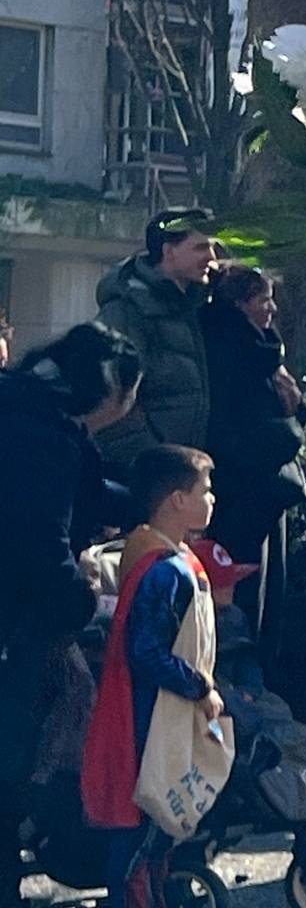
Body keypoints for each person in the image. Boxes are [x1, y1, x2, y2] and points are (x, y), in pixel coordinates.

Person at [2, 325, 143, 907]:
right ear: (113, 390)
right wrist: (82, 603)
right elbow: (38, 541)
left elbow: (80, 494)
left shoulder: (32, 410)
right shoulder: (45, 435)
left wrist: (143, 502)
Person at [81, 446, 224, 908]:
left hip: (161, 714)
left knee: (153, 835)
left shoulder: (174, 560)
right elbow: (146, 651)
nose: (212, 498)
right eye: (204, 490)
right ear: (177, 500)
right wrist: (199, 686)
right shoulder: (164, 571)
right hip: (147, 719)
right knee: (140, 832)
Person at [197, 263, 306, 573]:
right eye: (264, 300)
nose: (272, 308)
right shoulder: (231, 350)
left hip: (263, 489)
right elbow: (244, 424)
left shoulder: (260, 348)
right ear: (239, 304)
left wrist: (295, 407)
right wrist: (292, 426)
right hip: (241, 490)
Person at [92, 208, 220, 470]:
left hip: (184, 476)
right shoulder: (127, 310)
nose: (212, 257)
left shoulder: (196, 308)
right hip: (147, 478)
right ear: (168, 251)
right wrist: (150, 458)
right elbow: (108, 396)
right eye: (200, 248)